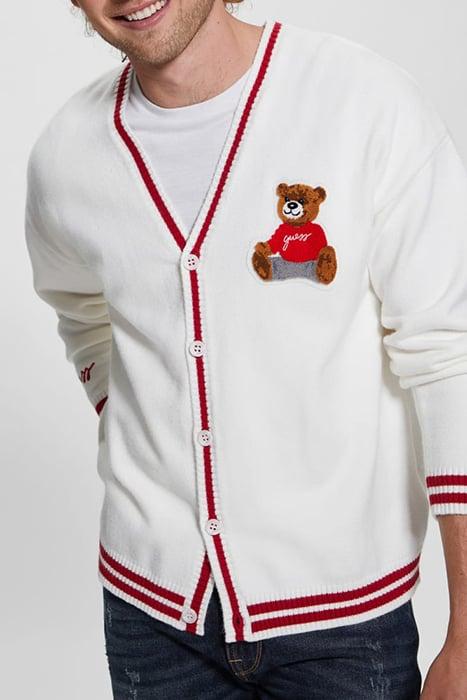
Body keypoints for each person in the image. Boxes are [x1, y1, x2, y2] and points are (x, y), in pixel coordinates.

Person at [24, 1, 467, 697]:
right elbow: (79, 310)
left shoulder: (365, 104)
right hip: (152, 615)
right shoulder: (66, 153)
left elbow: (448, 357)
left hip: (345, 620)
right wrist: (129, 411)